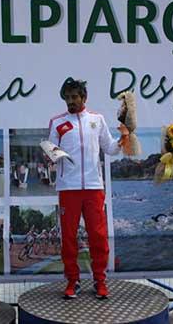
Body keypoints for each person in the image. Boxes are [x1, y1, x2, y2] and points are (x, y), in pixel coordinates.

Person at [48, 79, 125, 299]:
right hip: (68, 188)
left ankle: (100, 280)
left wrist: (123, 139)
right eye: (68, 97)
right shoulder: (57, 122)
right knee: (69, 237)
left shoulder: (97, 120)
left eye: (75, 97)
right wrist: (50, 154)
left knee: (98, 236)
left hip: (93, 187)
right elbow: (51, 151)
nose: (71, 101)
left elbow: (110, 149)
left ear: (84, 97)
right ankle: (72, 280)